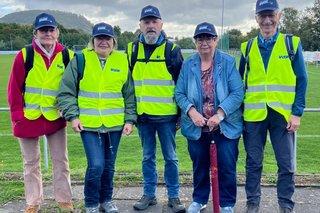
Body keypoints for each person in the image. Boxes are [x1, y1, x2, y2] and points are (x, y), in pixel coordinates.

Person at [57, 22, 136, 213]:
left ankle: (106, 200)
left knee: (109, 166)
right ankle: (91, 203)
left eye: (107, 38)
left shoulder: (122, 61)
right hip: (89, 125)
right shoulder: (81, 60)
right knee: (96, 165)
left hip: (115, 124)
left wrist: (129, 120)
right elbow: (65, 92)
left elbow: (129, 94)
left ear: (113, 42)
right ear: (92, 41)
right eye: (99, 38)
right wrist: (73, 116)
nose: (103, 42)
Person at [238, 0, 308, 213]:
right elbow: (238, 83)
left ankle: (286, 205)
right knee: (253, 163)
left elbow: (302, 80)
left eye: (271, 15)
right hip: (254, 115)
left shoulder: (291, 43)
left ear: (279, 16)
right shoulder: (247, 47)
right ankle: (253, 203)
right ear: (256, 18)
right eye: (262, 15)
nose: (267, 20)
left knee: (286, 165)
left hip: (282, 115)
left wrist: (297, 113)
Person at [7, 13, 74, 213]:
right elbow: (14, 88)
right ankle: (33, 202)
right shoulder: (25, 54)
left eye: (51, 30)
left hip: (55, 116)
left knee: (61, 161)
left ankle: (64, 201)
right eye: (43, 30)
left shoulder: (66, 55)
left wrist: (68, 109)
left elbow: (73, 86)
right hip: (29, 117)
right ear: (35, 32)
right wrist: (17, 116)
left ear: (57, 32)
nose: (47, 33)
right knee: (31, 163)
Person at [175, 22, 244, 213]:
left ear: (215, 40)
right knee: (199, 166)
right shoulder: (188, 64)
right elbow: (179, 93)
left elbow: (238, 92)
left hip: (224, 125)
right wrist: (192, 112)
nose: (204, 42)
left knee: (227, 166)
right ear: (195, 42)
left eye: (208, 38)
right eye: (200, 38)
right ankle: (199, 200)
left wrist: (220, 115)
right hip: (197, 126)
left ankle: (226, 204)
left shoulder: (228, 62)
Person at [126, 5, 185, 213]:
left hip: (167, 117)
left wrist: (180, 114)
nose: (150, 26)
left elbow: (181, 85)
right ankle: (149, 194)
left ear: (161, 24)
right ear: (140, 25)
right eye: (146, 22)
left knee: (171, 158)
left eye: (154, 22)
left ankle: (174, 196)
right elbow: (129, 85)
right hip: (144, 117)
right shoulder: (132, 49)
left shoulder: (172, 50)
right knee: (147, 157)